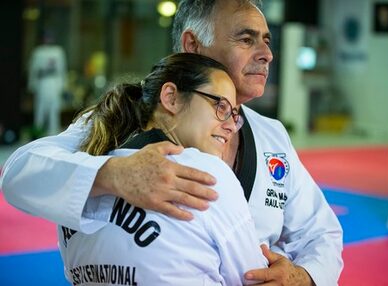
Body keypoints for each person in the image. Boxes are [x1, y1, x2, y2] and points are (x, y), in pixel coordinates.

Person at [1, 0, 343, 285]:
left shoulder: (272, 135)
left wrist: (304, 277)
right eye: (246, 39)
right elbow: (19, 172)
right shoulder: (119, 116)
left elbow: (321, 233)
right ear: (192, 46)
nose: (267, 53)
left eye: (267, 41)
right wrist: (116, 173)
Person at [59, 53, 267, 285]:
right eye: (221, 106)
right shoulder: (208, 175)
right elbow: (255, 278)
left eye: (235, 115)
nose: (230, 126)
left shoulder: (79, 184)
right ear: (171, 98)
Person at [28, 32, 67, 136]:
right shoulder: (38, 52)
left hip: (54, 81)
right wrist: (32, 84)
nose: (47, 40)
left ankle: (53, 132)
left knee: (54, 108)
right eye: (46, 38)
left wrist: (62, 84)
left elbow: (62, 69)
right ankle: (38, 131)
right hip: (42, 81)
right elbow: (33, 70)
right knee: (40, 108)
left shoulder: (58, 51)